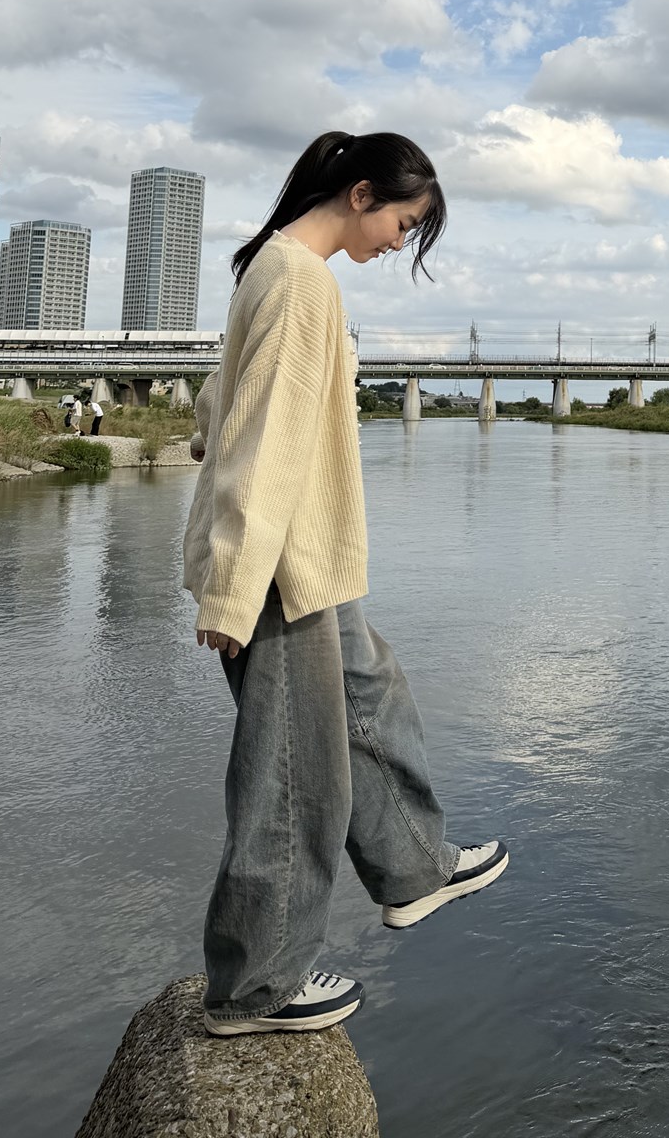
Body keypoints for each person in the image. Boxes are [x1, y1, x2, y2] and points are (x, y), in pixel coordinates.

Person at [183, 131, 508, 1038]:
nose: (399, 245)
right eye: (404, 224)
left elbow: (221, 404)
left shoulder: (276, 268)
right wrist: (233, 589)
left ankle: (414, 869)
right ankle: (254, 989)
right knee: (292, 772)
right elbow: (266, 441)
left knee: (368, 694)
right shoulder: (301, 282)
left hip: (312, 553)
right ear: (361, 194)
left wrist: (210, 449)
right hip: (281, 564)